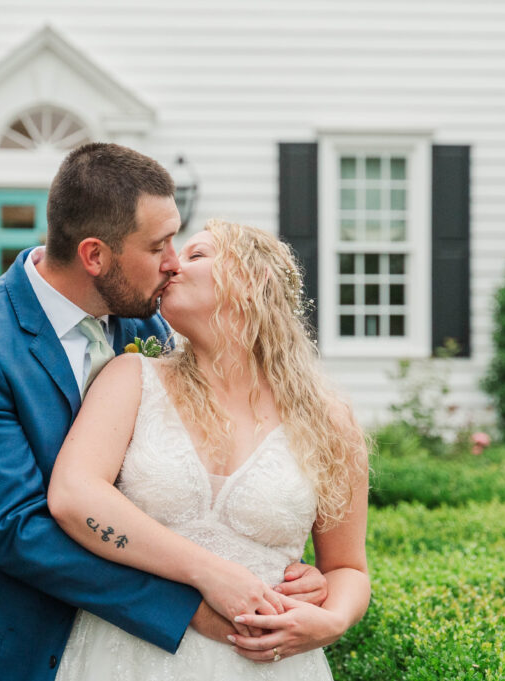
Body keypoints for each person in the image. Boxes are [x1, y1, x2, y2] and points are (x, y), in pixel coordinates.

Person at [0, 144, 327, 681]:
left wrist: (278, 573)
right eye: (158, 245)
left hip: (110, 654)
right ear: (95, 256)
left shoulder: (147, 331)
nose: (174, 261)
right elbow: (18, 527)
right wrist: (192, 601)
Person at [48, 219, 372, 680]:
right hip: (126, 654)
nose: (173, 265)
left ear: (255, 281)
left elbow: (346, 568)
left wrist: (331, 621)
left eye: (197, 255)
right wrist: (209, 573)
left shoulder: (330, 421)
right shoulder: (132, 378)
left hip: (266, 666)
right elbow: (74, 496)